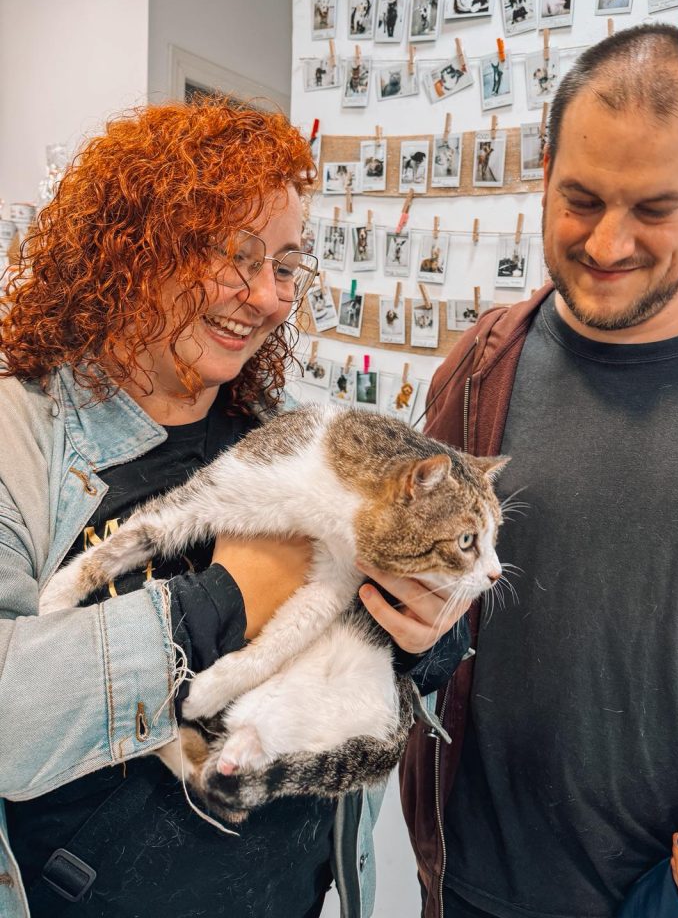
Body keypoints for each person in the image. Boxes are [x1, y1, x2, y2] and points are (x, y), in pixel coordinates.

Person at [0, 98, 467, 918]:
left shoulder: (286, 435)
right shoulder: (22, 439)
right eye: (235, 256)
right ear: (134, 249)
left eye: (285, 265)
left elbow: (374, 643)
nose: (265, 295)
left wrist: (425, 636)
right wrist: (225, 597)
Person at [401, 24, 678, 918]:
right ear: (545, 173)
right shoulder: (479, 370)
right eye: (582, 199)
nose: (607, 244)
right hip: (474, 886)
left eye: (654, 209)